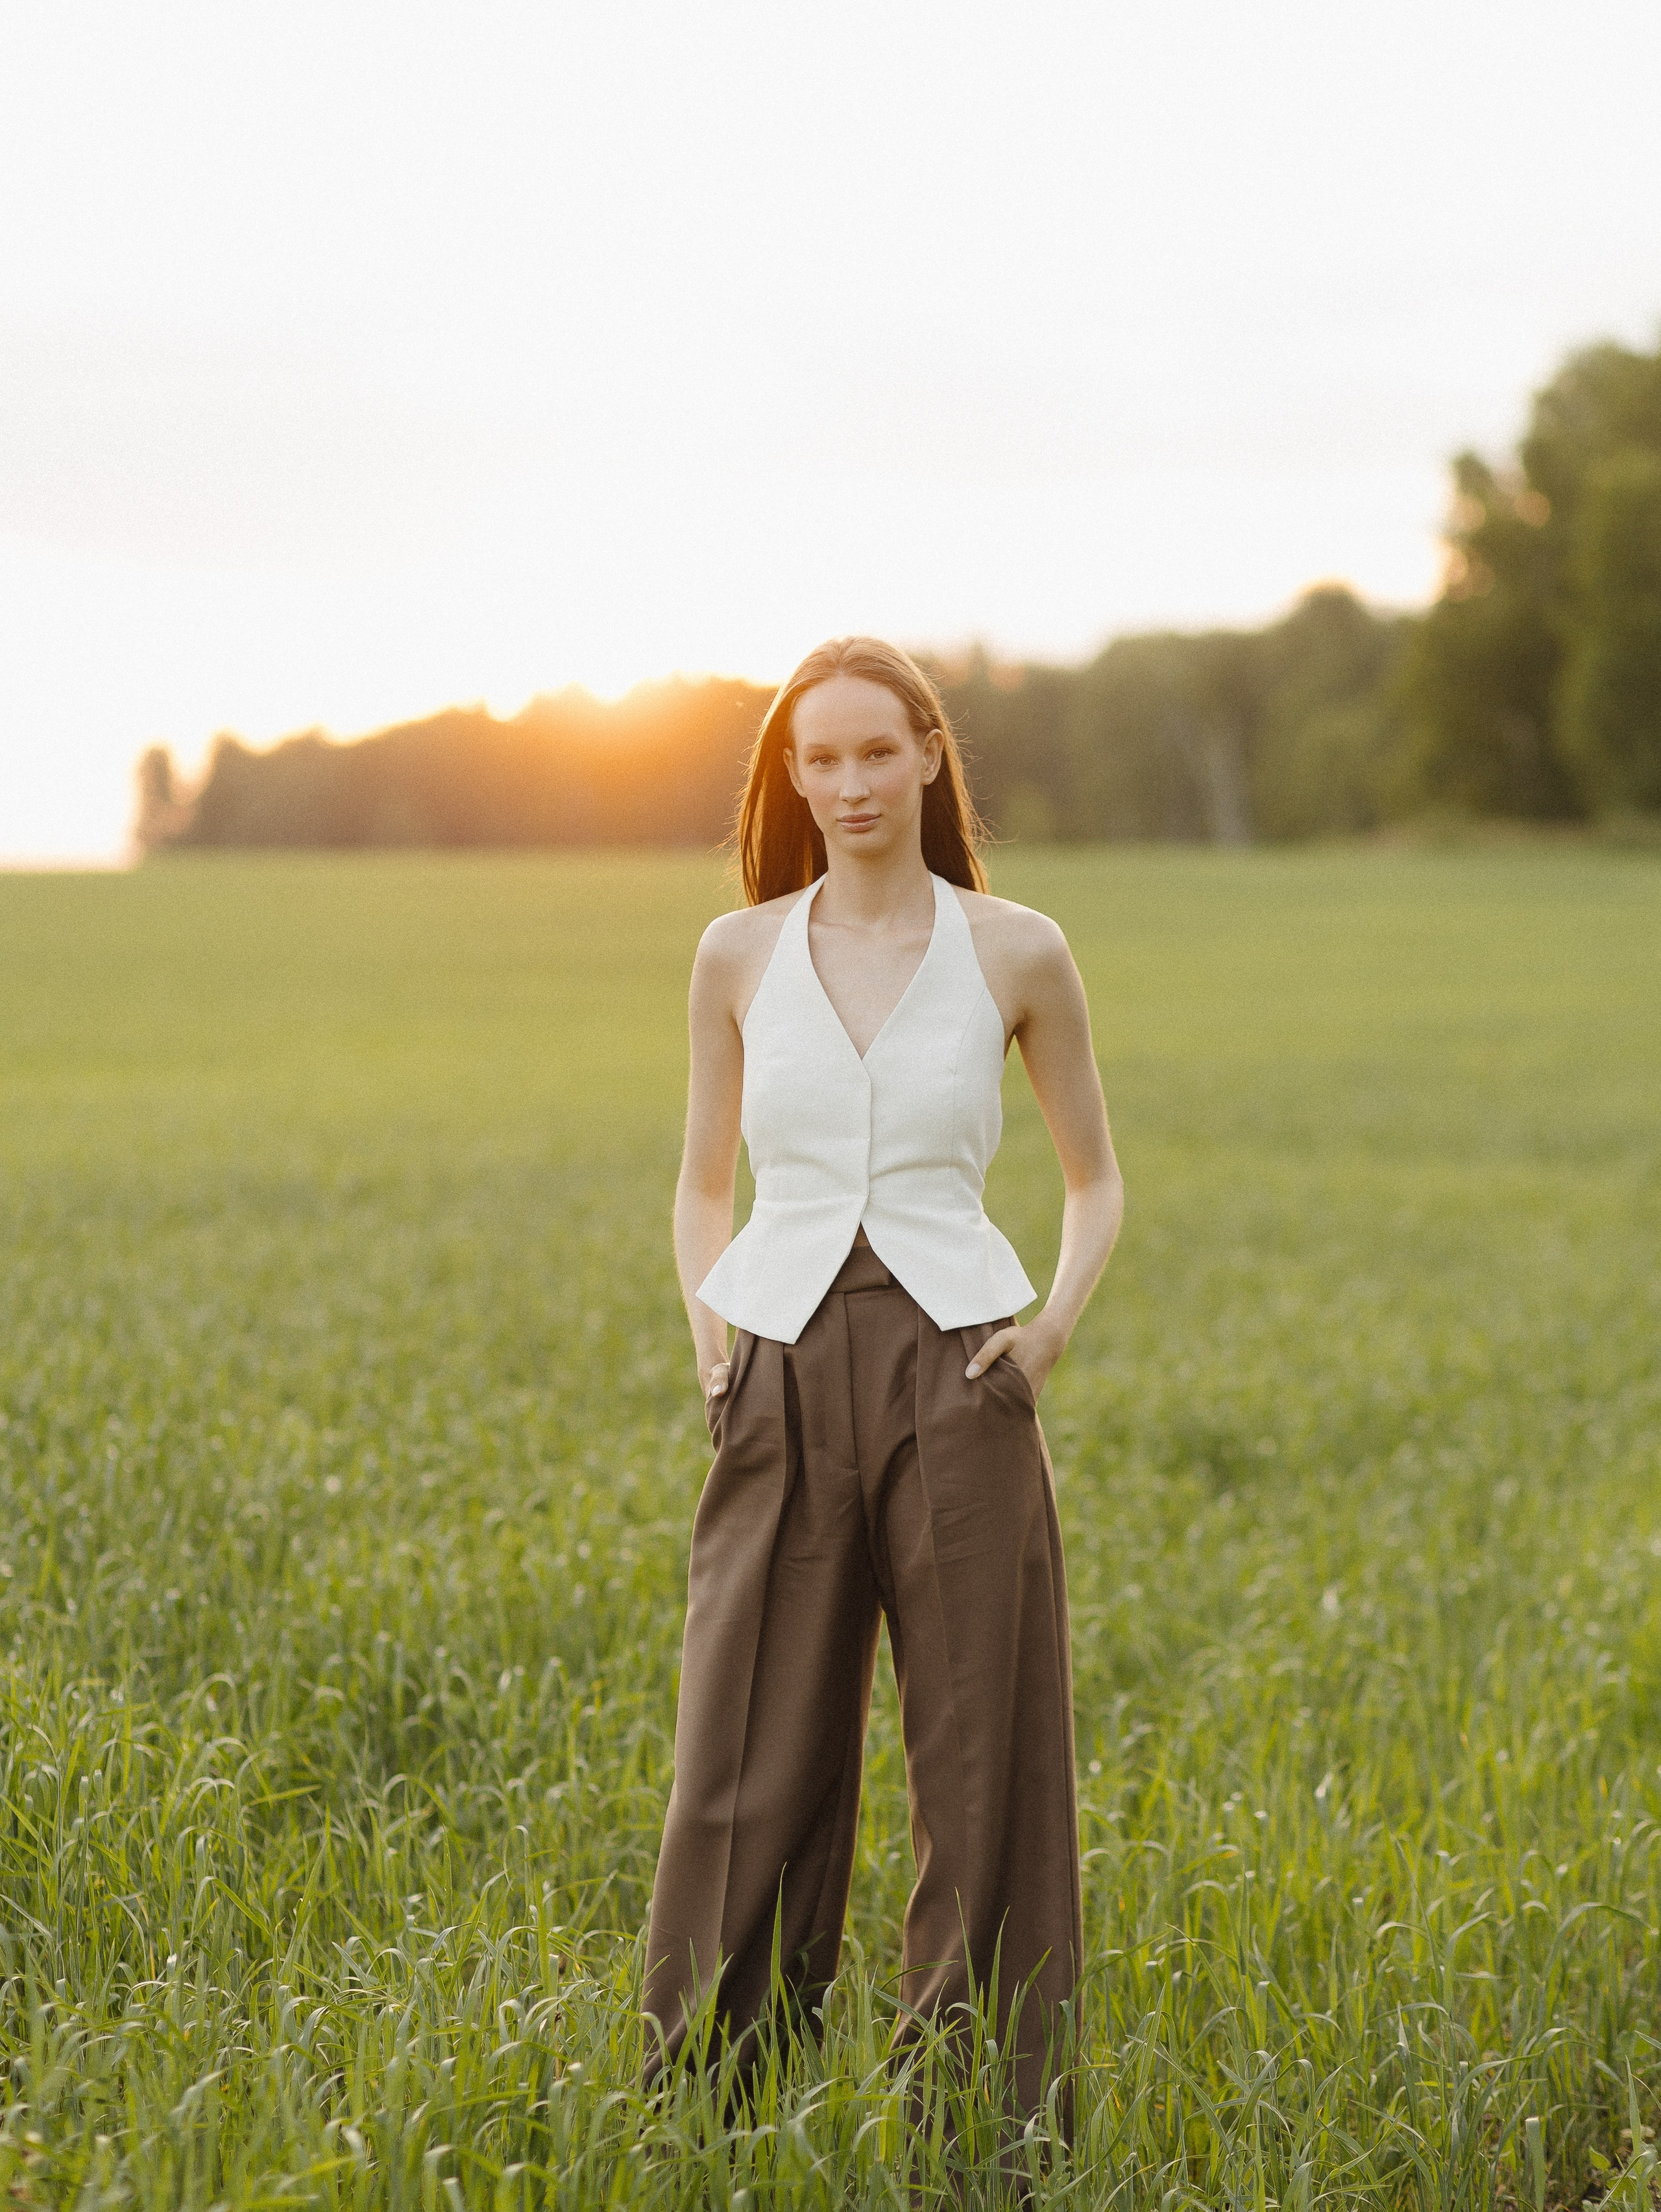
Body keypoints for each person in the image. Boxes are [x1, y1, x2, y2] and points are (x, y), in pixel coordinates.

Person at [644, 636, 1124, 2121]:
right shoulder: (737, 953)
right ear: (790, 778)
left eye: (874, 751)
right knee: (746, 1753)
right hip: (777, 1363)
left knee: (985, 1759)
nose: (848, 783)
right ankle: (712, 2105)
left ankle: (973, 2121)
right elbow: (697, 1181)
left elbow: (1094, 1179)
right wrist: (710, 1335)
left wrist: (1044, 1334)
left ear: (927, 753)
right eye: (819, 758)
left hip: (958, 1365)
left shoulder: (1016, 948)